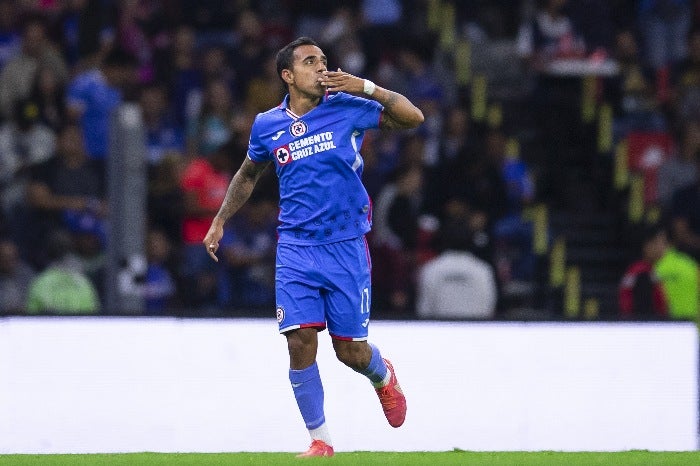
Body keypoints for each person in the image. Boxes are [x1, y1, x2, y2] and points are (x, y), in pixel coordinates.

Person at [202, 37, 424, 457]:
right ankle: (320, 441)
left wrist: (367, 87)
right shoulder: (267, 124)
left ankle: (382, 375)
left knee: (350, 352)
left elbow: (413, 117)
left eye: (323, 60)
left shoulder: (346, 106)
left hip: (345, 245)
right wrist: (220, 219)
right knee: (299, 341)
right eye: (309, 62)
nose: (321, 68)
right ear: (288, 76)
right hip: (296, 248)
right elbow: (249, 174)